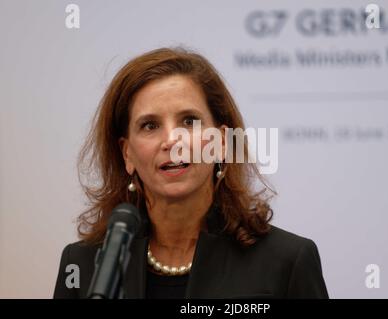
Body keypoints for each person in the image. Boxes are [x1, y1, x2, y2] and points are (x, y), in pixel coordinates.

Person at [53, 48, 329, 299]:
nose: (172, 141)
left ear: (222, 141)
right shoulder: (83, 264)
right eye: (150, 125)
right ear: (128, 154)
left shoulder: (287, 261)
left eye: (189, 121)